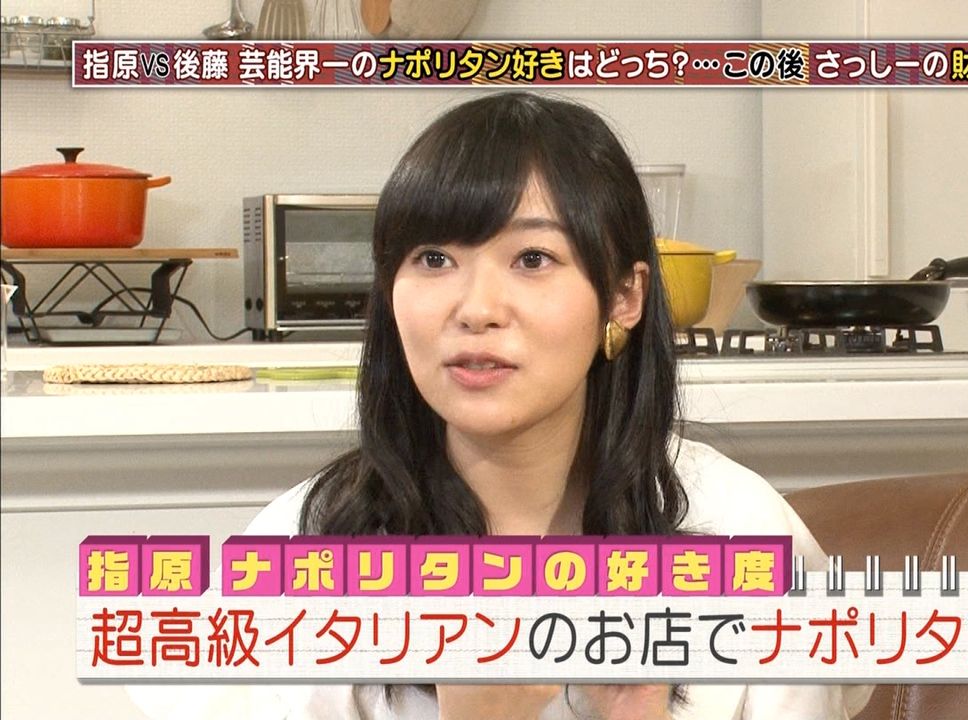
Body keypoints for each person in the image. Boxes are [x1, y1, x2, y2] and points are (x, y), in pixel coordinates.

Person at [132, 91, 871, 720]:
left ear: (625, 295)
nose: (476, 308)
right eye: (433, 260)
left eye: (532, 259)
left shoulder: (742, 532)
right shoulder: (301, 549)